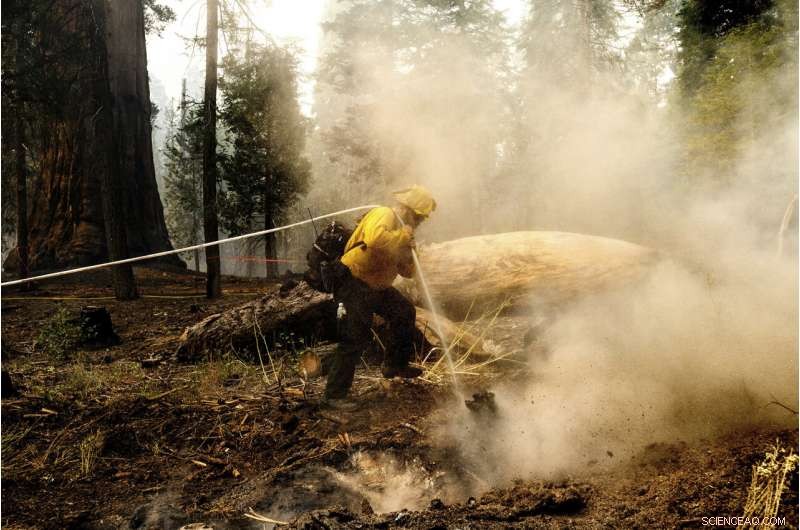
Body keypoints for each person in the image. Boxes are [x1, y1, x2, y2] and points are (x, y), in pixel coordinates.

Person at [324, 185, 437, 409]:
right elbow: (376, 240)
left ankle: (395, 365)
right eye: (419, 216)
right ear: (407, 209)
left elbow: (406, 271)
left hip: (377, 287)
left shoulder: (401, 232)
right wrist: (402, 236)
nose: (420, 222)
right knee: (355, 337)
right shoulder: (384, 214)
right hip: (354, 282)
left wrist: (411, 253)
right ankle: (334, 395)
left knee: (404, 311)